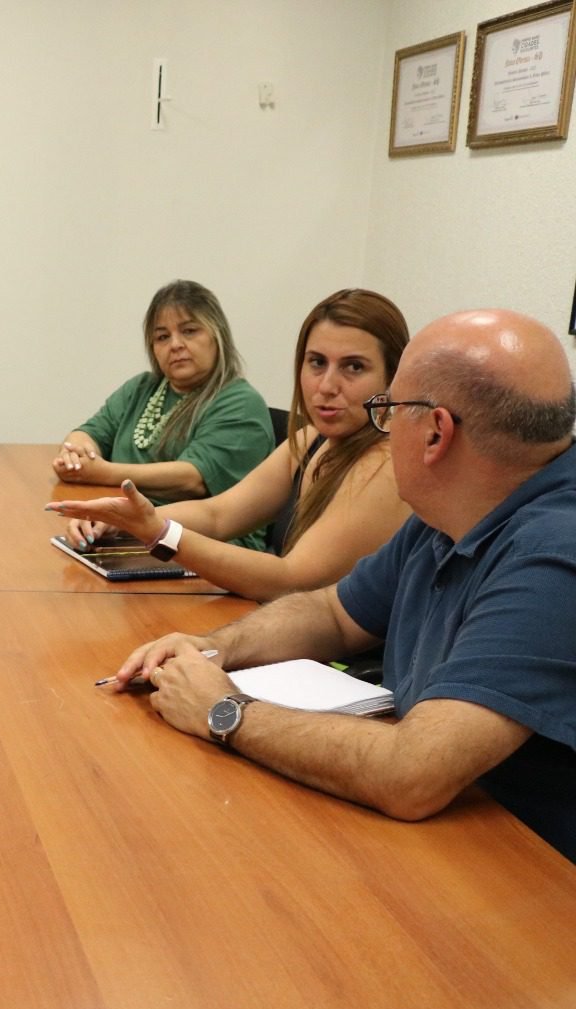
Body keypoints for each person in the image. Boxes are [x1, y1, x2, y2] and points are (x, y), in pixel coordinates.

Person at [109, 309, 576, 861]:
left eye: (387, 411)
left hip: (522, 871)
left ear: (435, 433)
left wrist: (226, 711)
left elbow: (412, 775)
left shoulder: (553, 554)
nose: (381, 429)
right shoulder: (452, 508)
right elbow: (334, 613)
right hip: (442, 833)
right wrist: (215, 648)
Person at [47, 289, 412, 601]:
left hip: (336, 664)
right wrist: (130, 518)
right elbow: (218, 515)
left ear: (393, 377)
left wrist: (159, 532)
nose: (327, 385)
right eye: (316, 362)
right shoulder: (310, 439)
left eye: (353, 367)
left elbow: (291, 581)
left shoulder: (386, 462)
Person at [54, 280, 274, 545]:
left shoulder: (240, 402)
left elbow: (192, 478)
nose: (176, 345)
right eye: (162, 337)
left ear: (218, 337)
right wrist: (76, 454)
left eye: (190, 331)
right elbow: (90, 432)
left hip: (208, 547)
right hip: (130, 530)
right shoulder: (142, 388)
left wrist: (100, 472)